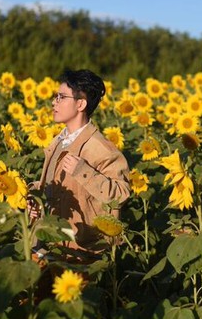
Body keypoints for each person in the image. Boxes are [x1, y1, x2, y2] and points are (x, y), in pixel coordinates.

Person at [29, 69, 130, 261]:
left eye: (61, 97)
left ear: (81, 104)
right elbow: (54, 187)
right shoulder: (58, 142)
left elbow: (121, 194)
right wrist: (34, 195)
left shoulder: (101, 149)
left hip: (81, 252)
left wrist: (84, 172)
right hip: (48, 245)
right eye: (55, 96)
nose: (54, 102)